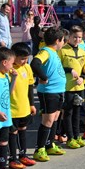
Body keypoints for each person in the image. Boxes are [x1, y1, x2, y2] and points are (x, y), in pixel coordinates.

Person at [30, 27, 67, 162]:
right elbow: (35, 62)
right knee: (48, 120)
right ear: (58, 41)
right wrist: (43, 77)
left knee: (55, 118)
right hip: (48, 92)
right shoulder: (45, 51)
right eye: (63, 40)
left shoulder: (54, 52)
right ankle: (39, 149)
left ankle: (49, 144)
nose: (63, 43)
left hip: (58, 90)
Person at [58, 26, 85, 149]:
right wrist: (70, 70)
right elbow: (58, 67)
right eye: (74, 37)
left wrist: (83, 77)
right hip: (67, 88)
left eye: (79, 37)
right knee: (68, 113)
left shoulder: (82, 51)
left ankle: (77, 136)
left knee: (77, 112)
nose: (77, 39)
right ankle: (70, 138)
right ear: (69, 37)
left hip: (79, 87)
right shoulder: (63, 50)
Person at [8, 43, 36, 169]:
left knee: (23, 130)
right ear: (13, 57)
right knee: (13, 133)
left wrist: (32, 104)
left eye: (27, 58)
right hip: (12, 109)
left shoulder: (27, 68)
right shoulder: (9, 70)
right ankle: (12, 159)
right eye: (22, 58)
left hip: (24, 107)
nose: (25, 61)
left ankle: (23, 155)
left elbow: (30, 87)